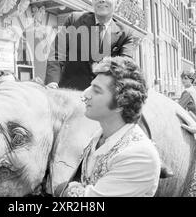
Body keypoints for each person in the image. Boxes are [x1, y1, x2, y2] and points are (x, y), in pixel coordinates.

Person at [58, 56, 161, 197]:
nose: (85, 94)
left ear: (120, 103)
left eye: (97, 90)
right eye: (90, 86)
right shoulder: (99, 137)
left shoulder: (139, 154)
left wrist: (70, 190)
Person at [45, 0, 138, 91]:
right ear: (92, 1)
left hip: (104, 99)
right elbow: (57, 54)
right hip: (71, 96)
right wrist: (52, 82)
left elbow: (124, 67)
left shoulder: (126, 34)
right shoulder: (74, 20)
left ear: (117, 3)